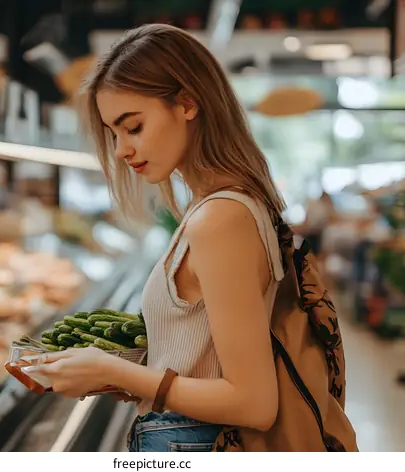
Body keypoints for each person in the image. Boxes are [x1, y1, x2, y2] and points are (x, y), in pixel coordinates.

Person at [27, 24, 287, 452]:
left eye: (133, 127)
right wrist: (109, 373)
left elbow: (254, 403)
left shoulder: (220, 219)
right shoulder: (218, 208)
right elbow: (205, 366)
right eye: (114, 133)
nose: (121, 150)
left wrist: (121, 372)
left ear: (187, 103)